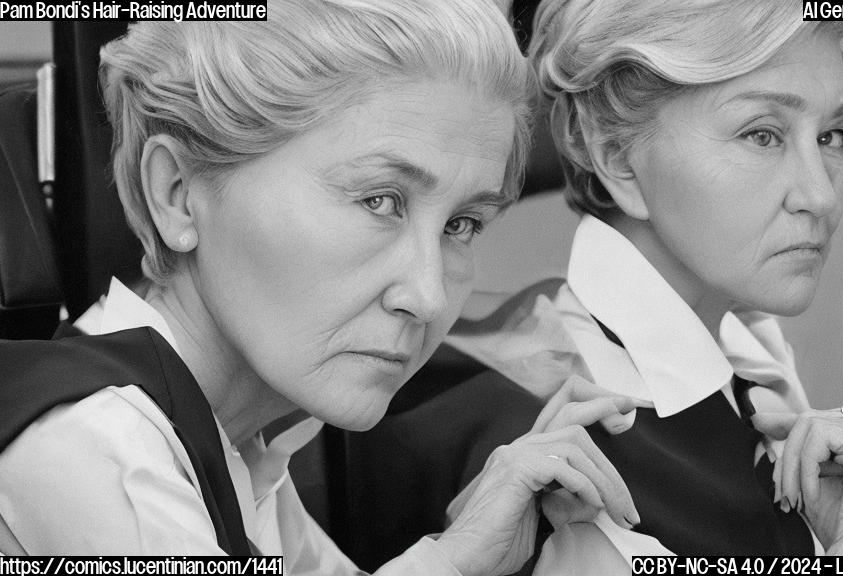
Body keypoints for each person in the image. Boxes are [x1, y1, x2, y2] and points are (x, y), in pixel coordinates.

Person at [0, 2, 644, 574]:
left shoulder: (235, 445)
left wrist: (484, 539)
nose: (426, 295)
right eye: (379, 201)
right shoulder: (105, 447)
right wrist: (449, 559)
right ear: (178, 193)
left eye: (461, 224)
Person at [358, 0, 843, 568]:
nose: (820, 195)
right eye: (761, 134)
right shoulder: (541, 437)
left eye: (833, 137)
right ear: (615, 154)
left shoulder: (752, 369)